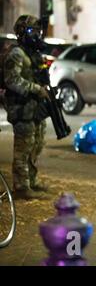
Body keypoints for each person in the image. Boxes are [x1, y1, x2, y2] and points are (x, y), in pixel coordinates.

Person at [2, 15, 50, 200]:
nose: (36, 35)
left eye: (37, 31)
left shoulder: (32, 53)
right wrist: (36, 89)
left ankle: (31, 180)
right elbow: (12, 80)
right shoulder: (16, 54)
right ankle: (21, 187)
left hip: (34, 108)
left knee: (36, 144)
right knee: (23, 148)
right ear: (22, 33)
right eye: (31, 31)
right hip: (21, 108)